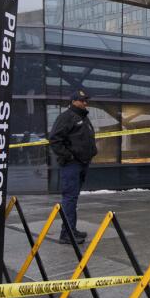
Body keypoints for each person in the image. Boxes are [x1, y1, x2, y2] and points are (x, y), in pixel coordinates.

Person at [48, 88, 97, 245]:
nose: (85, 103)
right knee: (69, 198)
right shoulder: (67, 117)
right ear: (74, 101)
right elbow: (55, 140)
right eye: (82, 100)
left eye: (86, 100)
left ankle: (71, 229)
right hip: (72, 165)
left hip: (81, 163)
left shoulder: (82, 117)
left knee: (73, 198)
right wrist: (68, 156)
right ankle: (66, 234)